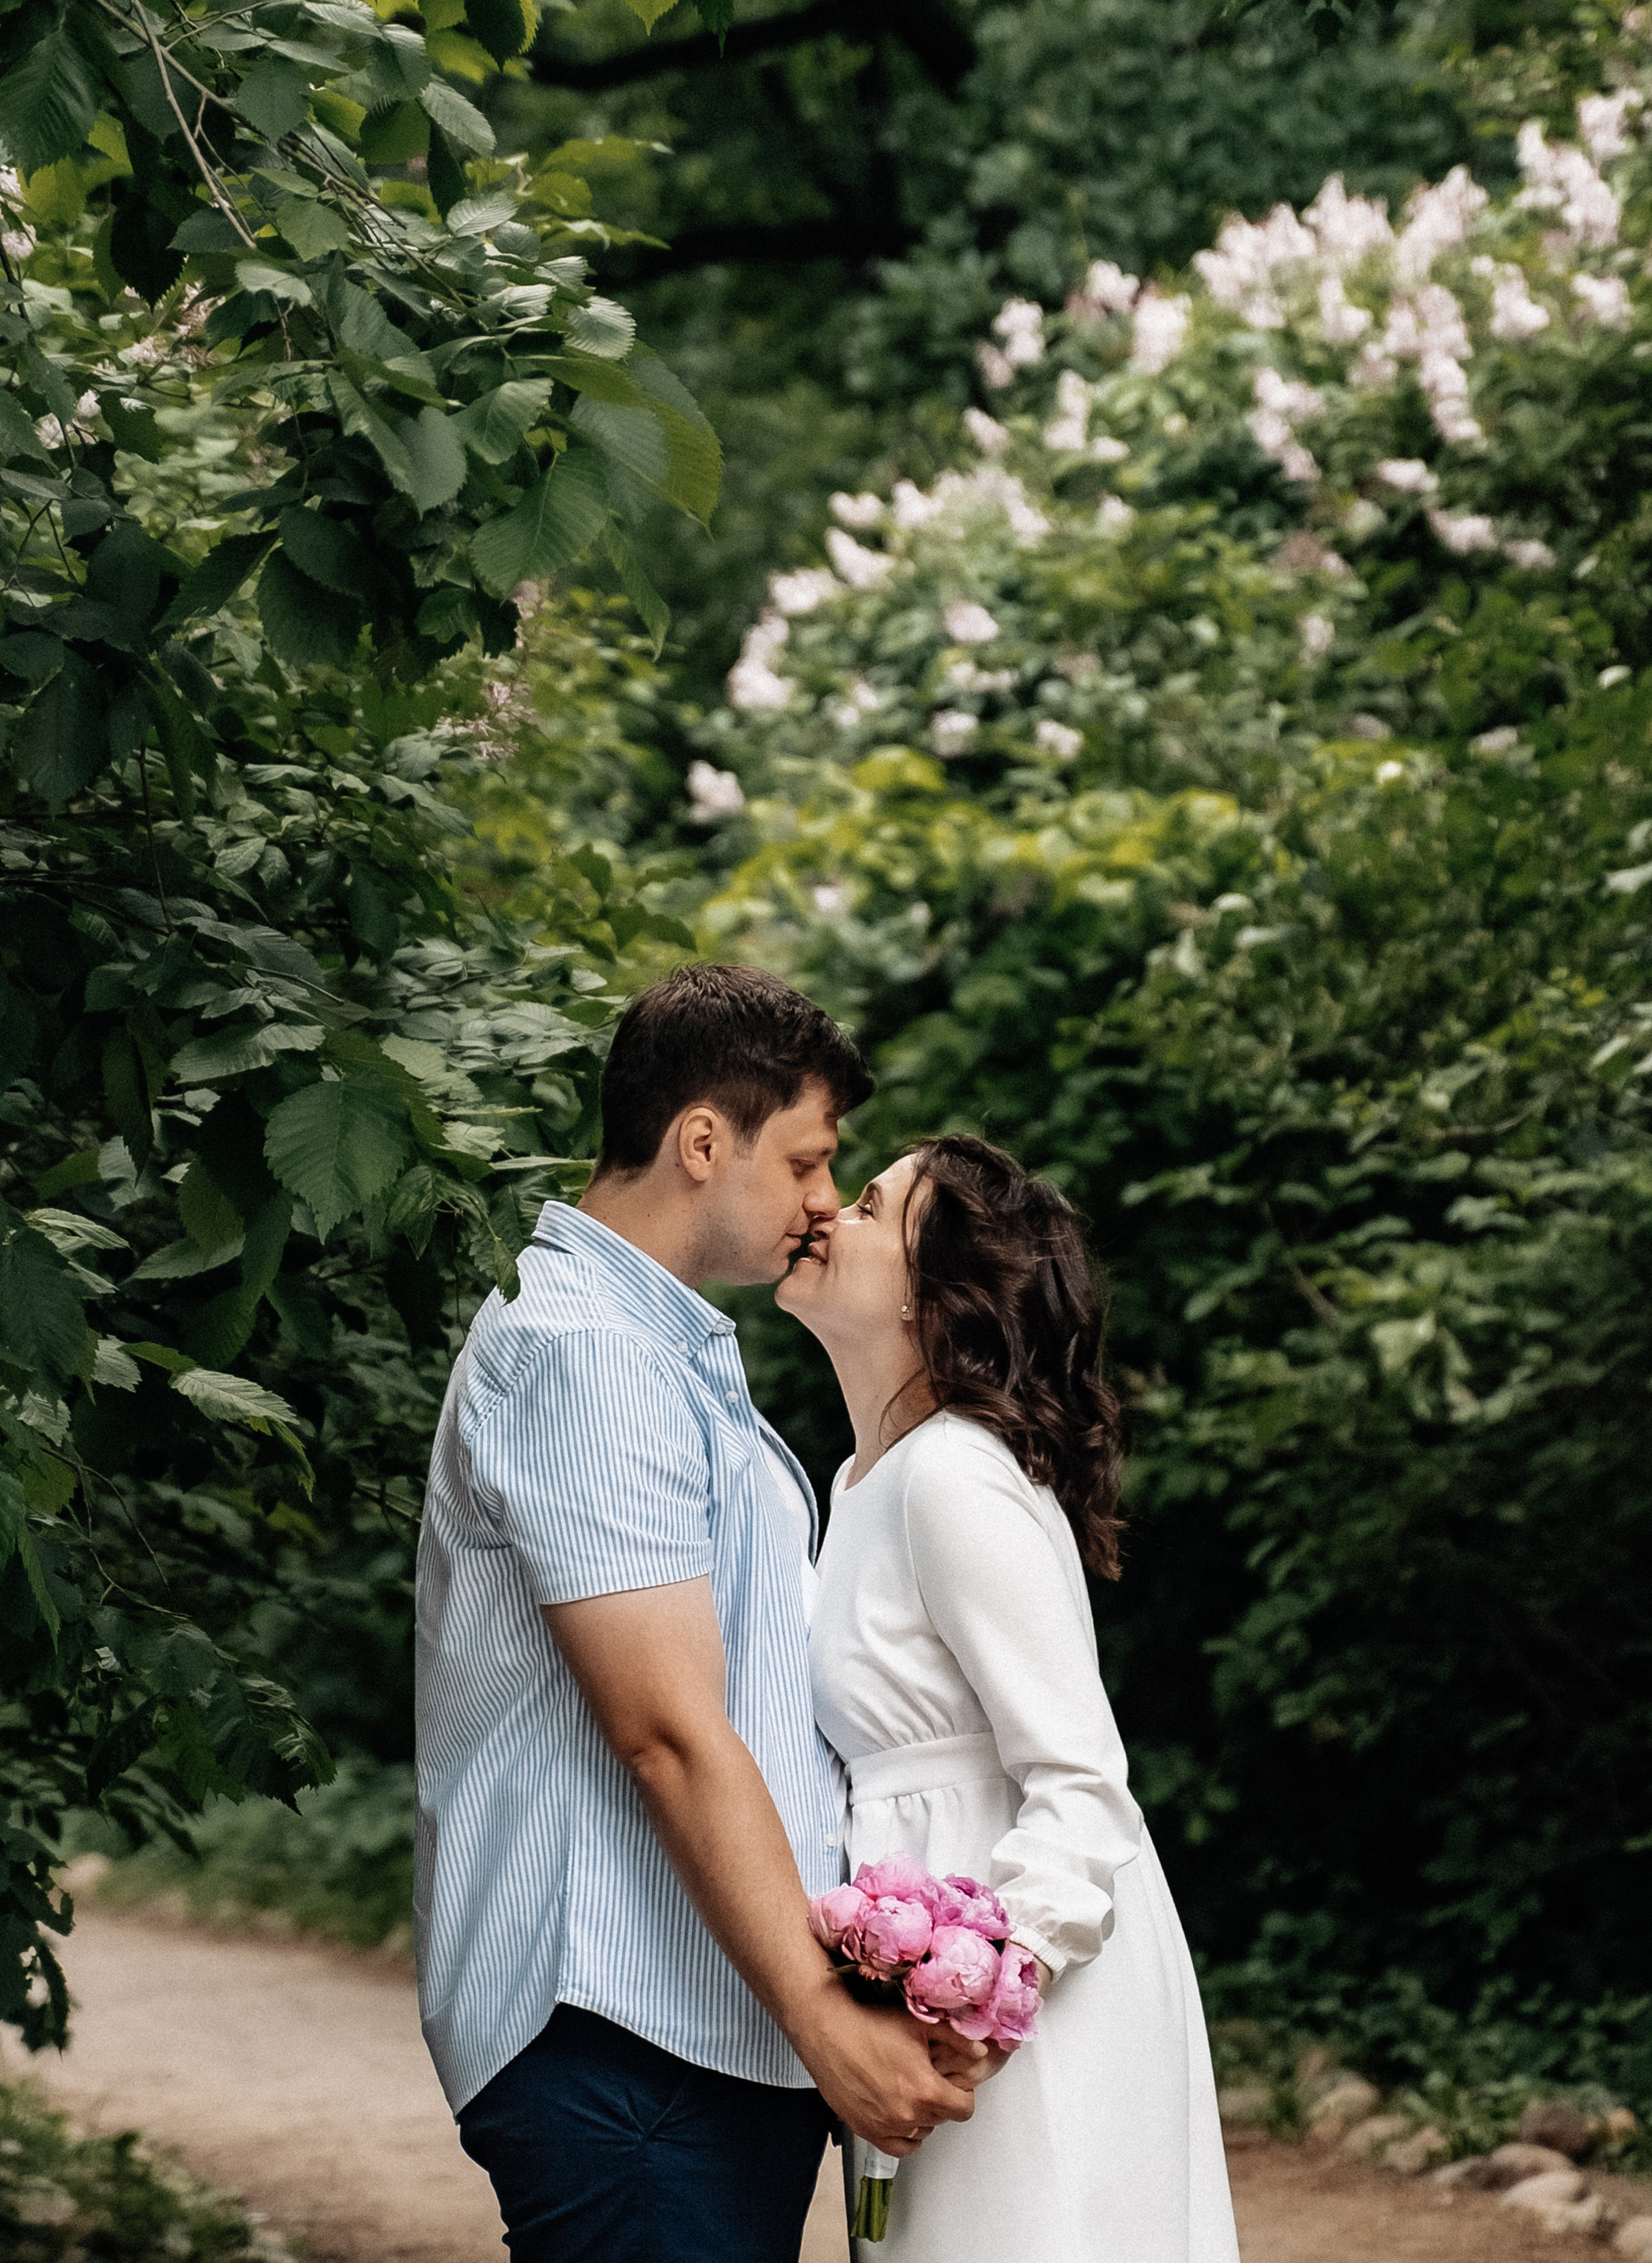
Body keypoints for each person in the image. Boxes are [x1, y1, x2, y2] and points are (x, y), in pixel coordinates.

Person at [414, 963, 976, 2263]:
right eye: (808, 1161)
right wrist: (823, 2017)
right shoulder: (587, 1354)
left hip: (697, 2021)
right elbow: (666, 1729)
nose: (826, 1200)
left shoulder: (662, 1350)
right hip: (625, 2032)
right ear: (703, 1141)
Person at [776, 1130, 1241, 2263]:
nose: (828, 1211)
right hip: (919, 1974)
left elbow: (1080, 1778)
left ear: (929, 1299)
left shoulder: (953, 1475)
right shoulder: (860, 1482)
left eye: (873, 1206)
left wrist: (995, 1980)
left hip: (1024, 1985)